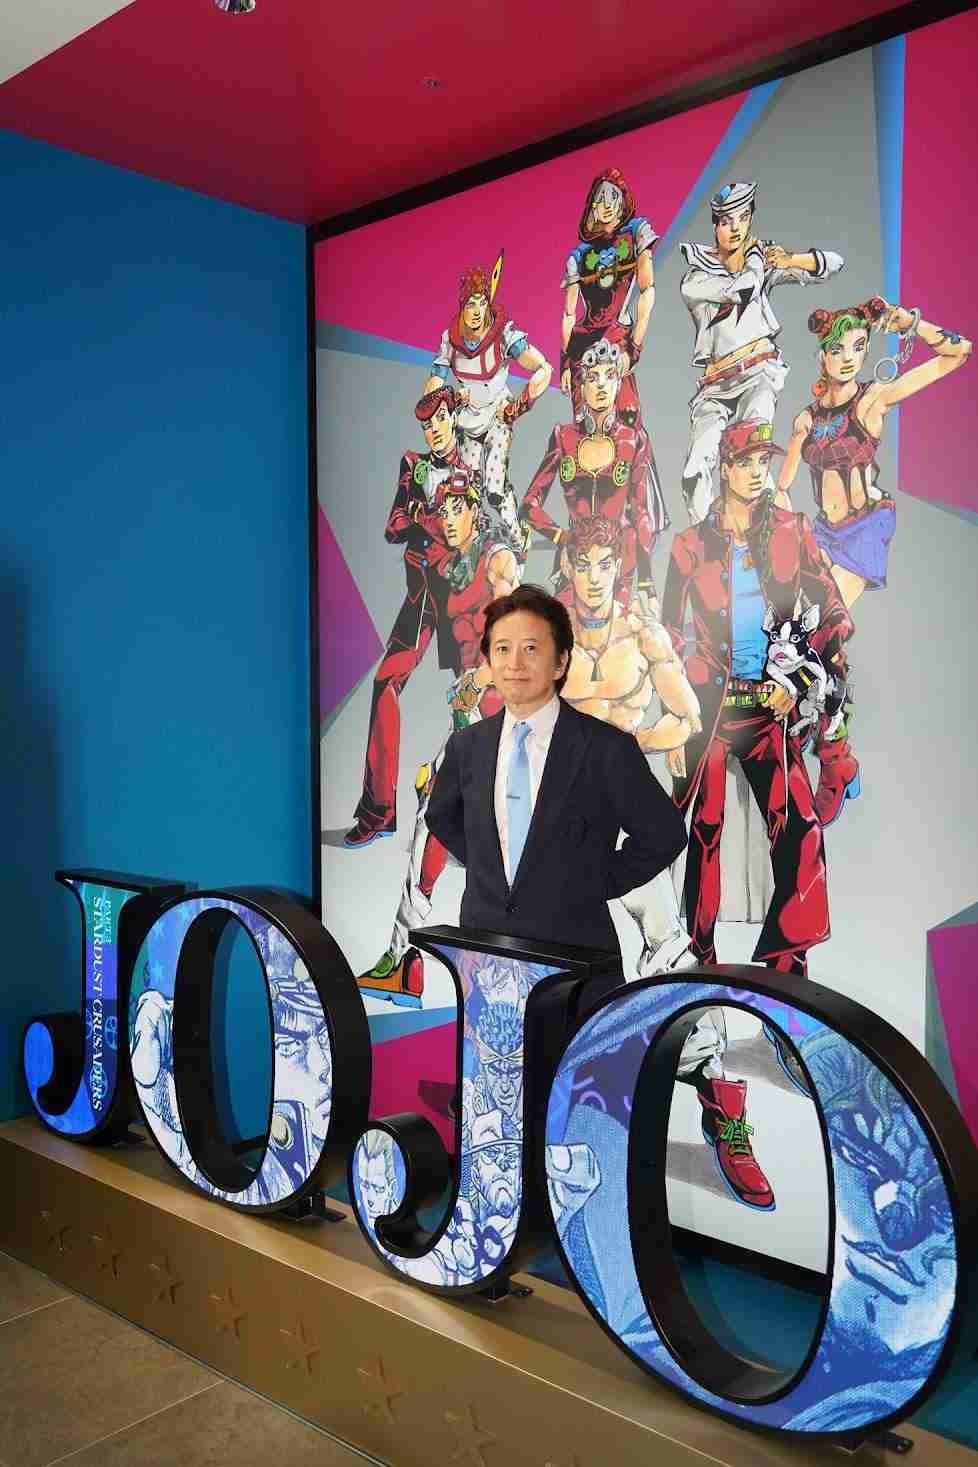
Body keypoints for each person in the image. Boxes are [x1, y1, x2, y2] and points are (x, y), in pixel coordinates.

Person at [662, 418, 853, 977]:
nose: (756, 473)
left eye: (762, 462)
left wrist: (797, 682)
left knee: (799, 825)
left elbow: (833, 612)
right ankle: (698, 956)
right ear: (725, 468)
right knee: (705, 829)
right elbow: (668, 637)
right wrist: (676, 716)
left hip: (773, 711)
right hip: (711, 713)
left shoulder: (792, 530)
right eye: (745, 462)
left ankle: (787, 963)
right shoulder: (690, 545)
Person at [425, 583, 688, 954]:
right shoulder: (467, 745)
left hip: (577, 959)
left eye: (531, 649)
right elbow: (441, 815)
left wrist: (595, 881)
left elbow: (665, 834)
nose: (514, 664)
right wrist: (492, 871)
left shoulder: (606, 748)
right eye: (502, 649)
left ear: (561, 661)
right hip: (484, 953)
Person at [357, 479, 519, 1004]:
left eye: (456, 508)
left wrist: (482, 678)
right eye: (442, 509)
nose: (447, 517)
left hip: (499, 715)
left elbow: (519, 640)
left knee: (444, 823)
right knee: (437, 821)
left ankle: (407, 959)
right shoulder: (451, 564)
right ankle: (406, 960)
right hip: (471, 718)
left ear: (474, 510)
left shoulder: (497, 561)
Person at [559, 513, 701, 974]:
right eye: (584, 565)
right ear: (568, 565)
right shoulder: (548, 638)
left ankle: (696, 1029)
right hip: (560, 802)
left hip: (621, 799)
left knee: (669, 946)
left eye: (604, 565)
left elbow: (687, 717)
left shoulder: (643, 635)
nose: (594, 578)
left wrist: (636, 744)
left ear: (618, 567)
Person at [345, 386, 475, 848]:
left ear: (454, 419)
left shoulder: (475, 462)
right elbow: (392, 526)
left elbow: (481, 528)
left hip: (462, 592)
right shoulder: (412, 464)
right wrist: (428, 519)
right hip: (421, 595)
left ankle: (478, 819)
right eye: (426, 424)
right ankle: (379, 810)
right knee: (386, 682)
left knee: (476, 701)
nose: (433, 430)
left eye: (440, 419)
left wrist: (423, 516)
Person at [679, 180, 844, 524]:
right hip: (714, 386)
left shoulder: (761, 265)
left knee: (753, 456)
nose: (735, 227)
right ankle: (708, 540)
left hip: (759, 374)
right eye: (727, 220)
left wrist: (789, 259)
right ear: (715, 225)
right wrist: (757, 257)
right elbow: (743, 289)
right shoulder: (695, 278)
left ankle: (770, 538)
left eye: (743, 217)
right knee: (694, 473)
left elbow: (833, 264)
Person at [520, 337, 668, 608]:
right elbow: (529, 505)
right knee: (564, 628)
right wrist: (562, 537)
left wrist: (647, 584)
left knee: (616, 627)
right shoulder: (563, 437)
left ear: (619, 384)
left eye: (610, 376)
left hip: (619, 564)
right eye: (592, 377)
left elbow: (641, 514)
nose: (601, 384)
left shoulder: (634, 439)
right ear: (581, 386)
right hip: (576, 560)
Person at [424, 257, 551, 552]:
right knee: (467, 490)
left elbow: (543, 368)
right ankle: (475, 550)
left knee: (494, 488)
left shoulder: (504, 334)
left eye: (482, 302)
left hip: (497, 418)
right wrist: (444, 402)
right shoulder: (450, 340)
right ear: (462, 305)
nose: (477, 311)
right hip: (467, 422)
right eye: (471, 303)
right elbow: (434, 383)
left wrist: (518, 406)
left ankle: (517, 537)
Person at [560, 167, 657, 427]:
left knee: (627, 419)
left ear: (622, 203)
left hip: (618, 337)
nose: (606, 205)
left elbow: (647, 290)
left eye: (613, 198)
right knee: (584, 426)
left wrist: (633, 348)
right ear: (592, 205)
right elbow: (569, 314)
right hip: (582, 347)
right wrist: (566, 363)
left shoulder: (636, 232)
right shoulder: (579, 256)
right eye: (600, 198)